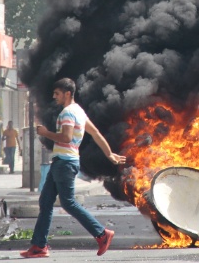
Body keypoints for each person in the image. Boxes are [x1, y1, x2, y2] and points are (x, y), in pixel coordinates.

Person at [20, 78, 126, 258]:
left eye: (57, 93)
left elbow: (66, 137)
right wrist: (109, 154)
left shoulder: (68, 113)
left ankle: (101, 234)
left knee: (68, 203)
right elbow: (96, 134)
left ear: (68, 94)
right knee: (45, 202)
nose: (54, 97)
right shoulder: (79, 112)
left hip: (65, 163)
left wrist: (46, 133)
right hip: (62, 162)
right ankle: (39, 245)